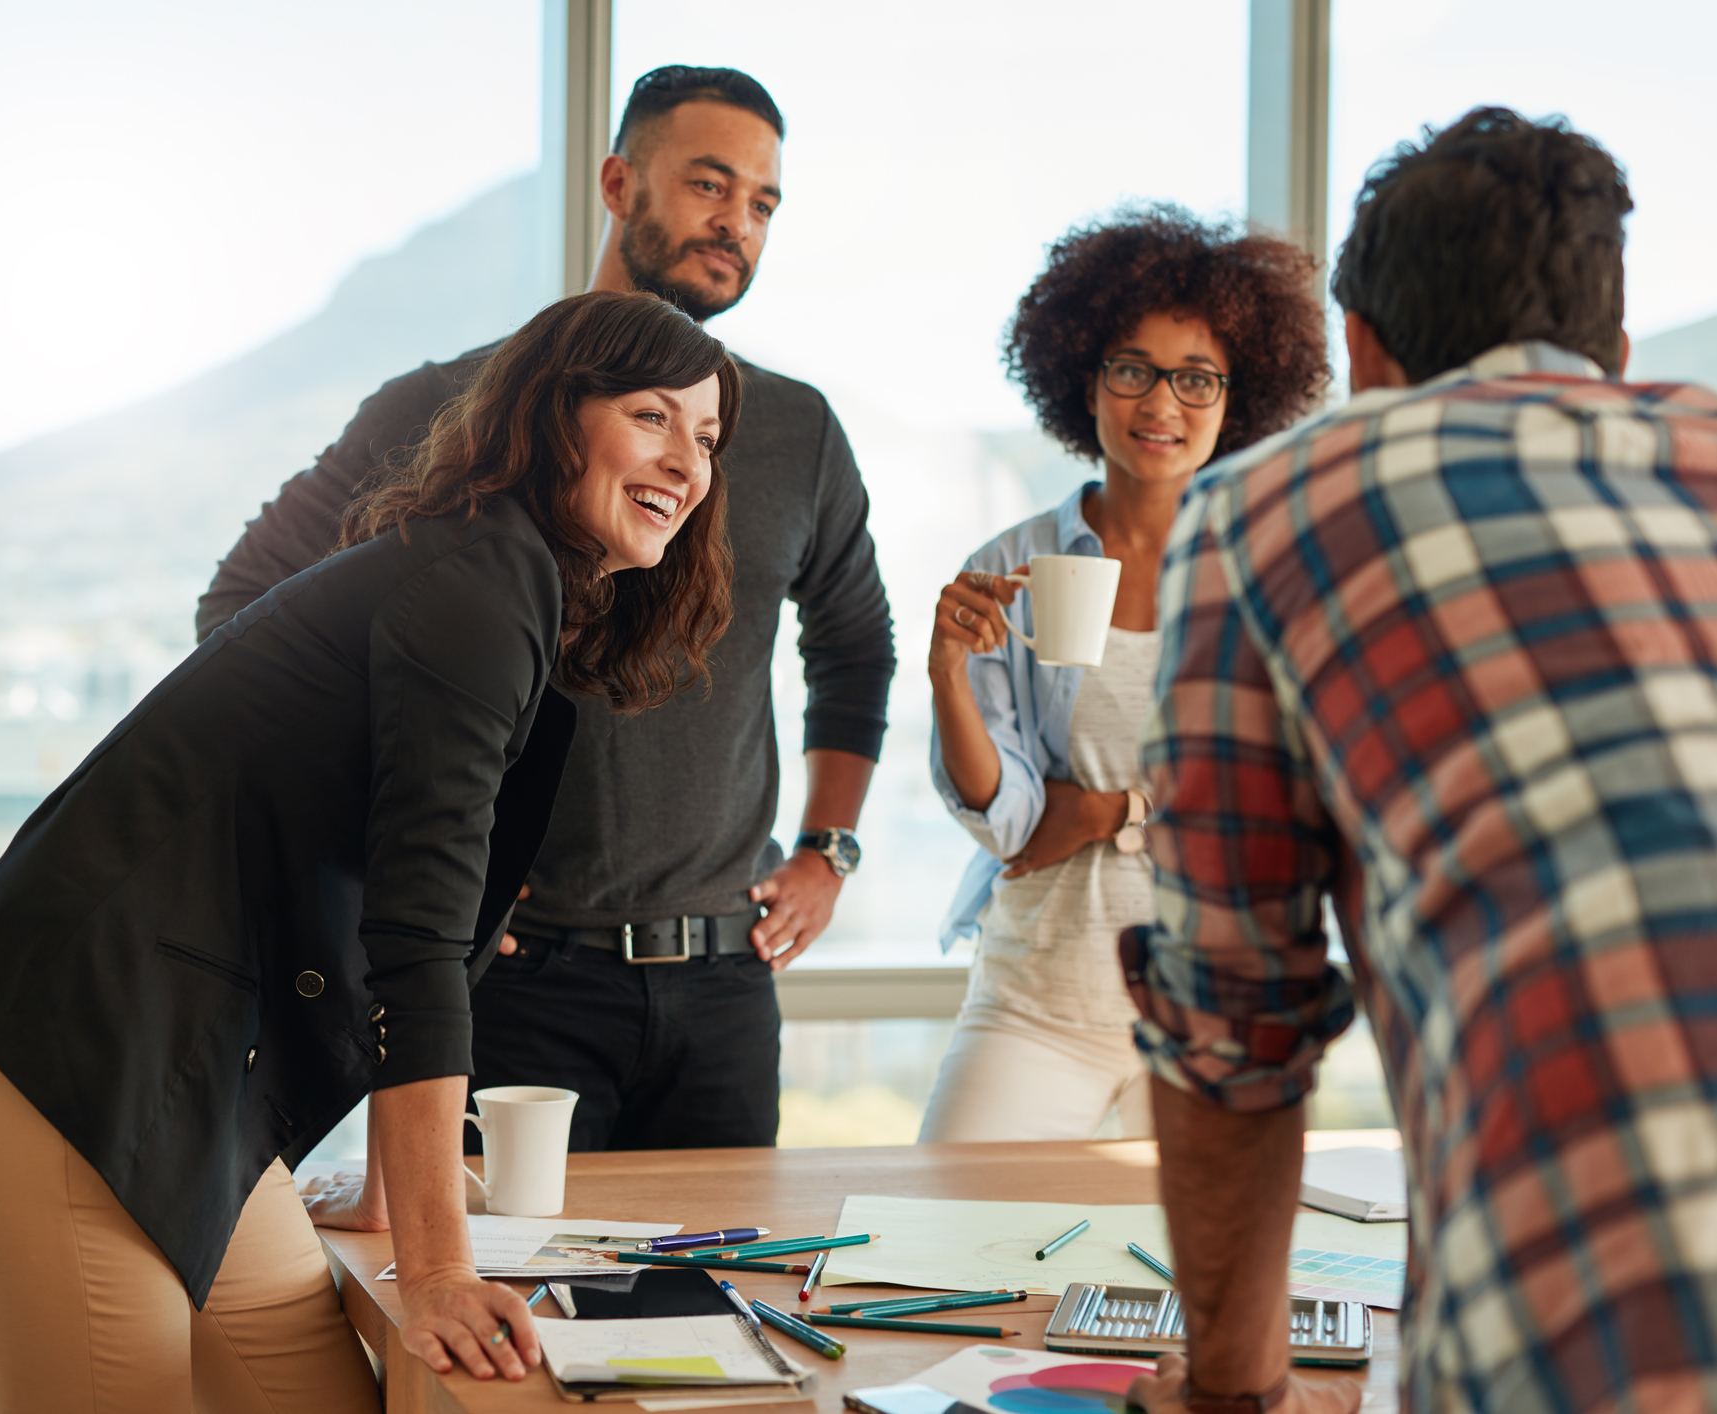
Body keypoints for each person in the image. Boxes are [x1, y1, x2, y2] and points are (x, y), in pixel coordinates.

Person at [0, 290, 737, 1414]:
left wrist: (404, 1196)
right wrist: (441, 1269)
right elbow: (418, 941)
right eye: (652, 416)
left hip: (185, 1094)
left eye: (707, 436)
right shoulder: (477, 592)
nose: (687, 462)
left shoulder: (497, 583)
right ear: (556, 416)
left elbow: (416, 919)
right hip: (71, 1069)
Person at [1122, 108, 1717, 1414]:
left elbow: (1235, 1021)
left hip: (1593, 1337)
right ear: (1612, 356)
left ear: (1361, 351)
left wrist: (1229, 1390)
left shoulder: (1269, 506)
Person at [197, 66, 894, 1154]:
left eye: (762, 203)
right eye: (711, 185)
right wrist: (386, 857)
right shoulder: (445, 404)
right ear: (618, 182)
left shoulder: (796, 429)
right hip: (513, 979)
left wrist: (827, 850)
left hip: (725, 982)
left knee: (715, 1318)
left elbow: (855, 647)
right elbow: (243, 612)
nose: (737, 223)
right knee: (519, 1312)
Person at [916, 208, 1326, 1143]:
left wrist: (1109, 811)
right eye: (1132, 369)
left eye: (1195, 378)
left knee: (1189, 1286)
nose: (1160, 404)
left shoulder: (1266, 571)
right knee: (933, 1238)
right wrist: (947, 676)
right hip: (1036, 1003)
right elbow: (1012, 821)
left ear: (1238, 397)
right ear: (1084, 380)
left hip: (1207, 1019)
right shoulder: (1014, 561)